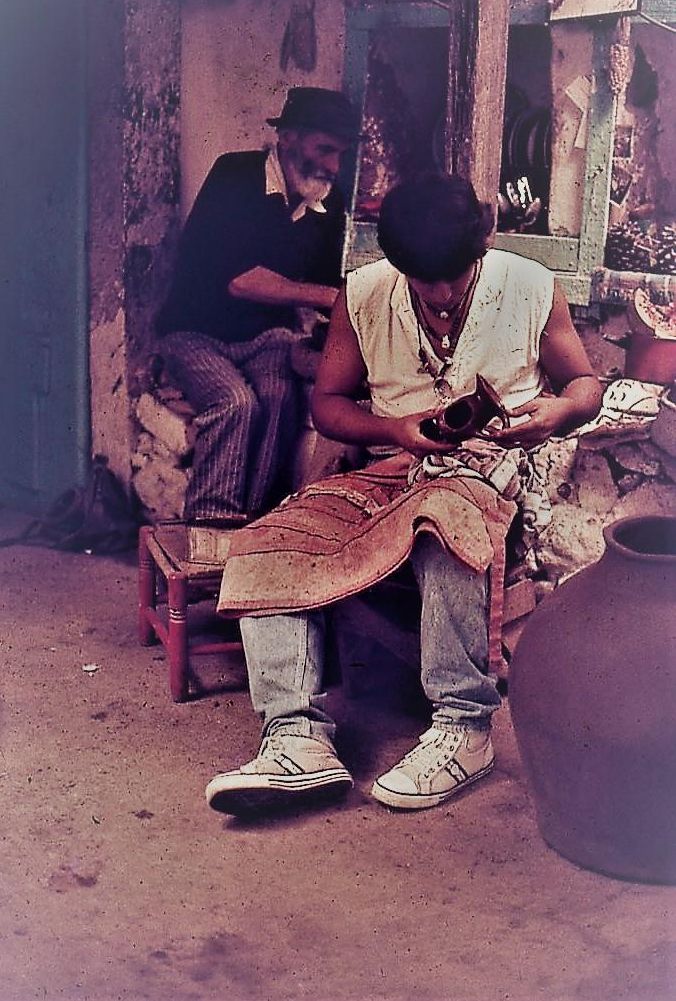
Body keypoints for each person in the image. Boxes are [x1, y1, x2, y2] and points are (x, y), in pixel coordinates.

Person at [205, 172, 603, 816]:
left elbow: (586, 382)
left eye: (456, 275)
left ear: (484, 245)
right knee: (267, 540)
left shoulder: (531, 286)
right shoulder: (363, 294)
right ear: (394, 261)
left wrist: (555, 413)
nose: (441, 294)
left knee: (445, 521)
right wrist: (395, 428)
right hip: (392, 468)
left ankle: (463, 726)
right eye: (424, 279)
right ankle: (296, 738)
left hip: (490, 469)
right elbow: (328, 404)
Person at [155, 87, 359, 524]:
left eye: (340, 154)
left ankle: (252, 523)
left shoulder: (329, 200)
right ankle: (209, 526)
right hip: (194, 332)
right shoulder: (235, 174)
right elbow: (241, 280)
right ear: (287, 138)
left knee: (280, 397)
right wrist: (328, 297)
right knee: (235, 404)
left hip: (264, 336)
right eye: (324, 149)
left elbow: (325, 283)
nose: (333, 166)